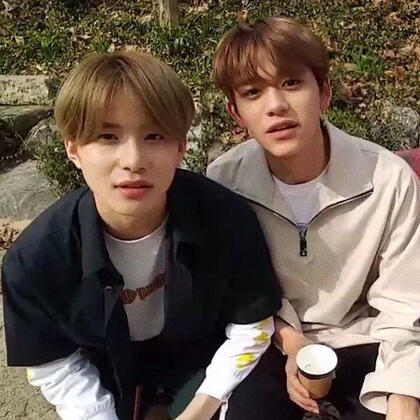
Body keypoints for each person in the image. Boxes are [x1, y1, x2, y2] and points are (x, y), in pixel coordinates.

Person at [2, 51, 282, 420]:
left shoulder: (224, 217)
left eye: (154, 136)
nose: (133, 160)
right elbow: (55, 364)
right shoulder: (36, 260)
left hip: (206, 361)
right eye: (107, 137)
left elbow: (251, 323)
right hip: (110, 375)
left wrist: (200, 409)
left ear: (180, 146)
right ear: (73, 148)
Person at [207, 16, 420, 420]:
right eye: (253, 92)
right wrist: (291, 342)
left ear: (323, 92)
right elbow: (236, 293)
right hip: (269, 340)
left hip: (366, 338)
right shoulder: (225, 183)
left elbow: (406, 305)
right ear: (236, 113)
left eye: (291, 83)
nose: (276, 106)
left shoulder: (388, 179)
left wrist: (404, 395)